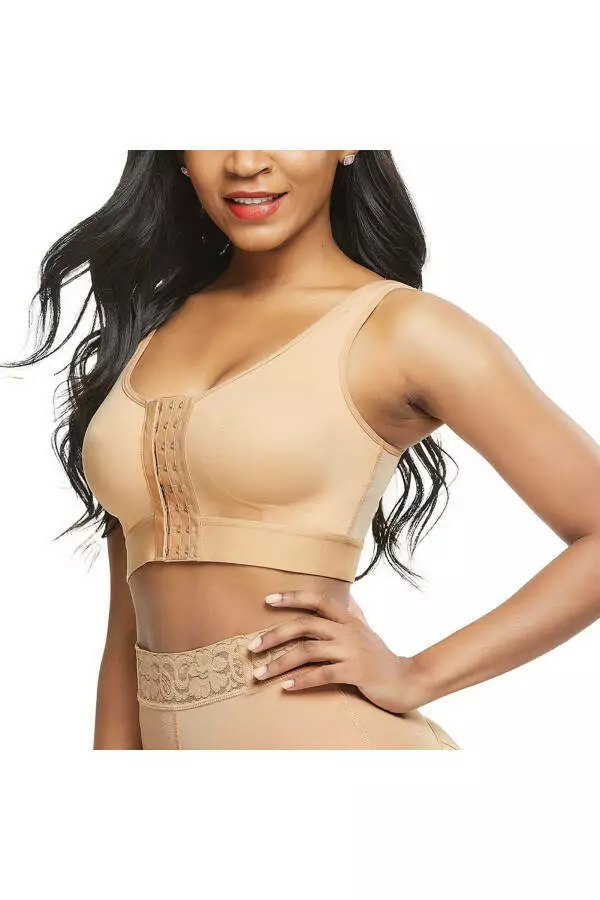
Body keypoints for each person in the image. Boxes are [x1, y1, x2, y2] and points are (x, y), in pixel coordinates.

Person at [10, 151, 600, 749]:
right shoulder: (144, 327)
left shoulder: (404, 329)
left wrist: (418, 675)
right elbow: (126, 628)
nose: (246, 162)